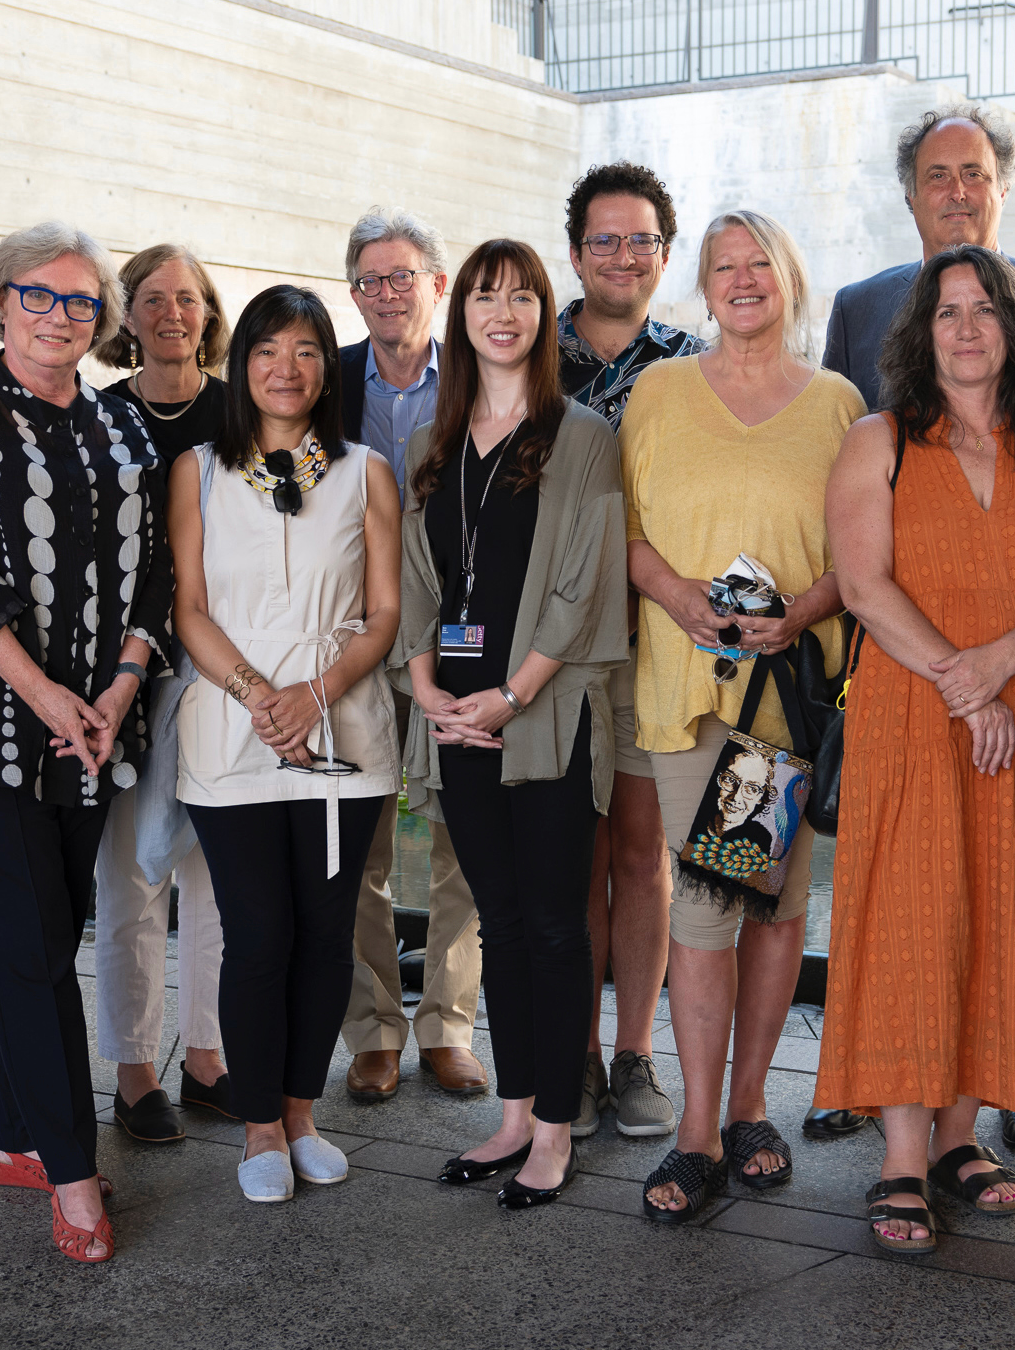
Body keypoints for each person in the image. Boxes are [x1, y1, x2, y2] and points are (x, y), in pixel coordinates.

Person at [819, 99, 1015, 1151]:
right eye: (947, 315)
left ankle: (964, 1137)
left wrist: (997, 671)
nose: (965, 327)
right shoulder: (879, 428)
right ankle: (903, 1153)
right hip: (913, 706)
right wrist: (963, 681)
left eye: (984, 313)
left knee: (1001, 919)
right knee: (913, 923)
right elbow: (862, 581)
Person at [0, 222, 169, 1263]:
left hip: (90, 725)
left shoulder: (117, 427)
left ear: (101, 319)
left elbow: (155, 579)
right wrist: (45, 691)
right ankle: (72, 1171)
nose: (59, 315)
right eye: (38, 295)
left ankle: (13, 1132)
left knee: (45, 934)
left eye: (80, 300)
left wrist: (119, 684)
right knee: (35, 949)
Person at [626, 210, 864, 1222]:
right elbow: (624, 525)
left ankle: (751, 1104)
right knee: (705, 906)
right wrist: (680, 596)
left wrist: (801, 614)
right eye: (722, 266)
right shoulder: (661, 389)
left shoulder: (839, 404)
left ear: (789, 275)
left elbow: (862, 549)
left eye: (758, 261)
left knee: (769, 902)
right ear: (704, 286)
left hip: (783, 697)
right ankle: (697, 1130)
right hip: (688, 693)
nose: (740, 279)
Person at [395, 239, 629, 1208]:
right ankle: (516, 1112)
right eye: (485, 296)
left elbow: (584, 584)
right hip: (456, 718)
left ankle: (558, 1131)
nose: (503, 312)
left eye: (522, 296)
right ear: (463, 316)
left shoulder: (582, 436)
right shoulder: (432, 444)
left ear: (543, 315)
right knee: (496, 922)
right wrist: (424, 686)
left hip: (543, 716)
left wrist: (513, 693)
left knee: (554, 926)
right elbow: (416, 578)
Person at [170, 285, 402, 1202]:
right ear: (243, 364)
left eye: (307, 350)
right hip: (233, 730)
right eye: (268, 350)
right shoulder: (197, 471)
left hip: (343, 726)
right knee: (259, 935)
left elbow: (384, 613)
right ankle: (258, 1124)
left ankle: (303, 1114)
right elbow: (188, 607)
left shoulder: (363, 472)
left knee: (325, 937)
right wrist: (263, 695)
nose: (287, 368)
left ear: (324, 367)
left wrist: (317, 693)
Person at [556, 162, 706, 1139]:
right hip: (556, 652)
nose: (622, 255)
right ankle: (568, 1045)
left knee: (646, 852)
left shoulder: (694, 367)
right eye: (604, 240)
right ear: (576, 253)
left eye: (640, 240)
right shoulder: (526, 353)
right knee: (572, 856)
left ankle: (635, 1055)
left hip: (657, 644)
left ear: (664, 251)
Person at [334, 208, 487, 1103]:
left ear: (438, 283)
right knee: (361, 837)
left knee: (464, 837)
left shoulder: (480, 370)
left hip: (459, 630)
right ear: (353, 295)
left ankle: (450, 1026)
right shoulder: (332, 379)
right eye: (369, 281)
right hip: (357, 629)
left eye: (403, 277)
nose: (387, 294)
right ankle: (376, 1029)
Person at [91, 242, 234, 1139]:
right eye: (151, 299)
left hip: (225, 667)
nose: (171, 314)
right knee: (131, 880)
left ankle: (211, 1057)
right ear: (126, 315)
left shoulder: (245, 411)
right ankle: (136, 1069)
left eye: (188, 299)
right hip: (123, 674)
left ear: (209, 314)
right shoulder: (98, 418)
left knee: (219, 879)